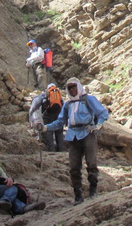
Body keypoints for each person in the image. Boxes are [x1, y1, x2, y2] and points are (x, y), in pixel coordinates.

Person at [36, 77, 108, 205]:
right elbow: (60, 122)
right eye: (70, 88)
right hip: (72, 135)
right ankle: (78, 195)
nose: (72, 90)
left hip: (88, 133)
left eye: (74, 87)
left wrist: (98, 125)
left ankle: (93, 191)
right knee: (74, 167)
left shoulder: (88, 99)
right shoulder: (68, 105)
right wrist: (46, 127)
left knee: (91, 163)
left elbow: (102, 112)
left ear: (79, 87)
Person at [28, 84, 65, 152]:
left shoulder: (44, 95)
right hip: (59, 115)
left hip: (48, 115)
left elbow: (34, 107)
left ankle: (51, 151)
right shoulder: (58, 95)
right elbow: (64, 106)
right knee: (59, 134)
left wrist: (31, 117)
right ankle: (61, 151)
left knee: (49, 133)